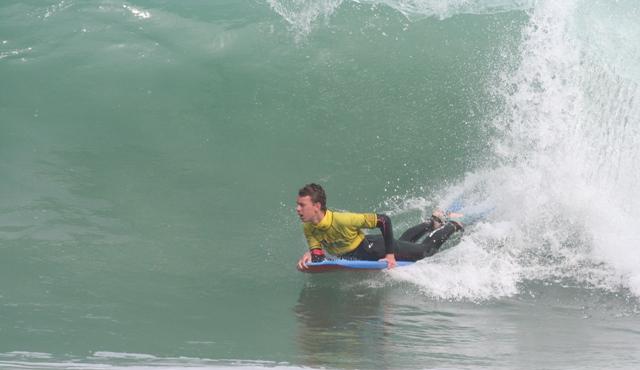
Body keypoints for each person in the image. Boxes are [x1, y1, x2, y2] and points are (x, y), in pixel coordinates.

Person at [296, 183, 464, 271]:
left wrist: (390, 256)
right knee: (401, 243)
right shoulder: (309, 228)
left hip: (375, 249)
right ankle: (432, 223)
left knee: (426, 251)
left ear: (317, 206)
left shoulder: (343, 220)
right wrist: (311, 256)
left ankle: (452, 225)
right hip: (363, 253)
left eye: (302, 205)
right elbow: (319, 258)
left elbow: (383, 220)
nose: (298, 209)